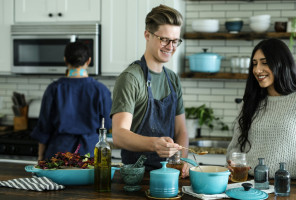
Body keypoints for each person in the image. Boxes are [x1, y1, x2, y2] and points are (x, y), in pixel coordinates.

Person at [226, 38, 296, 195]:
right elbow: (235, 147)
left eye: (265, 62)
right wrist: (232, 162)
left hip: (290, 188)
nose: (257, 70)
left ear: (282, 64)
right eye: (255, 64)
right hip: (249, 187)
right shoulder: (250, 102)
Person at [110, 4, 189, 176]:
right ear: (147, 35)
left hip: (169, 174)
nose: (170, 47)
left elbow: (181, 130)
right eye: (164, 39)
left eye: (175, 41)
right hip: (137, 177)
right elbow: (119, 134)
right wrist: (154, 144)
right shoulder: (131, 78)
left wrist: (183, 159)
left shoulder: (173, 79)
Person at [31, 41, 112, 161]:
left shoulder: (54, 89)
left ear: (65, 60)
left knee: (53, 181)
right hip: (89, 154)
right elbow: (108, 125)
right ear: (88, 61)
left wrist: (40, 157)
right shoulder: (101, 90)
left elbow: (44, 128)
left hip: (58, 154)